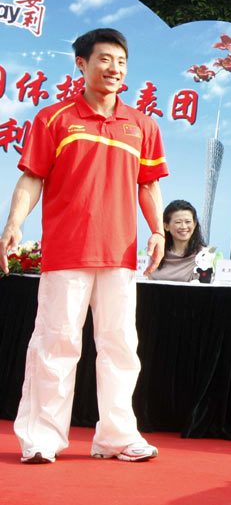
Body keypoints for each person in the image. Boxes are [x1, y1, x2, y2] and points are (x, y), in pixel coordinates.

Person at [0, 28, 167, 464]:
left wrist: (157, 230)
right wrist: (14, 223)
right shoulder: (53, 118)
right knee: (56, 344)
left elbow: (148, 184)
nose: (114, 69)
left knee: (120, 346)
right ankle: (41, 438)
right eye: (105, 59)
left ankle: (117, 437)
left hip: (120, 254)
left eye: (121, 62)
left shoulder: (142, 125)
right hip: (67, 252)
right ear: (82, 63)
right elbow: (32, 177)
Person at [147, 200, 206, 282]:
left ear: (194, 224)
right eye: (178, 222)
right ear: (166, 226)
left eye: (188, 222)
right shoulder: (157, 253)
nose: (183, 226)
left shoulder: (204, 255)